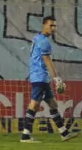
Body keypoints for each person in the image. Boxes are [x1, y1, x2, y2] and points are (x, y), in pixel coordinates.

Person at [21, 15, 76, 143]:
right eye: (51, 25)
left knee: (52, 104)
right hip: (40, 77)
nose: (53, 28)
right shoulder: (44, 41)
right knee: (34, 104)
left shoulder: (38, 38)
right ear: (44, 25)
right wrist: (56, 78)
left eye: (55, 26)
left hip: (40, 77)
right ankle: (25, 135)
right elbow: (47, 60)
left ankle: (64, 133)